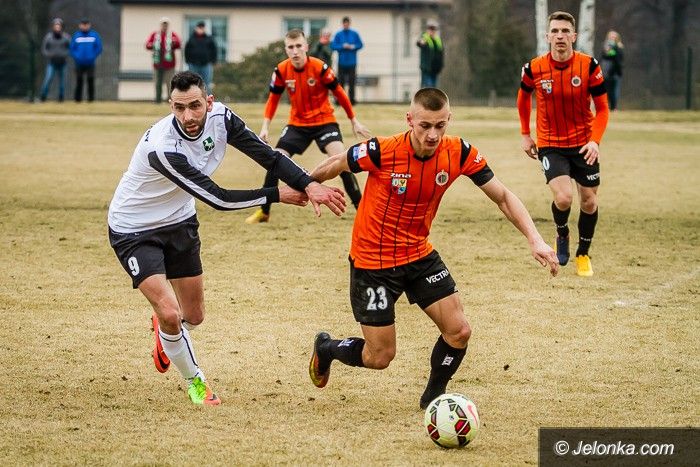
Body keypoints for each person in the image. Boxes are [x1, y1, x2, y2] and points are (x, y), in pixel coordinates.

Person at [307, 88, 559, 409]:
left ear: (449, 119)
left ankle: (433, 398)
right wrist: (307, 185)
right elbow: (337, 162)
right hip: (373, 263)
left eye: (440, 125)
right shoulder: (382, 150)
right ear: (410, 120)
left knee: (459, 331)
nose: (432, 135)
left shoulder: (459, 152)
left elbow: (503, 197)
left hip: (418, 255)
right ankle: (327, 348)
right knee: (380, 356)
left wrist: (535, 239)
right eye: (425, 125)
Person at [107, 71, 347, 406]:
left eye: (195, 106)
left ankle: (166, 332)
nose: (188, 116)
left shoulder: (222, 118)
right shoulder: (162, 148)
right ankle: (196, 382)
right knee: (171, 312)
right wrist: (277, 195)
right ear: (170, 106)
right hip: (134, 228)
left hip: (179, 221)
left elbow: (269, 156)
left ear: (209, 102)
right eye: (179, 108)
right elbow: (218, 199)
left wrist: (308, 183)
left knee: (194, 316)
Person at [245, 29, 371, 224]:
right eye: (290, 47)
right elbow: (273, 99)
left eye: (298, 46)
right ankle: (264, 212)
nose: (295, 51)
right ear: (286, 49)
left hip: (324, 122)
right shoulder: (281, 70)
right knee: (274, 160)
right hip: (297, 125)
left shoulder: (320, 67)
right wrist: (265, 127)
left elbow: (339, 93)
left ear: (306, 47)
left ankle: (362, 210)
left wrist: (354, 120)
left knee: (341, 159)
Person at [517, 11, 609, 277]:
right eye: (555, 31)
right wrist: (525, 134)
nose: (560, 36)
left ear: (574, 36)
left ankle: (583, 253)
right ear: (547, 36)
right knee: (564, 197)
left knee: (589, 202)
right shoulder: (533, 68)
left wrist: (595, 141)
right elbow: (523, 99)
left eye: (565, 31)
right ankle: (562, 233)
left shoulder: (589, 66)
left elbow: (603, 109)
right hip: (551, 144)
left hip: (584, 144)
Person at [146, 17, 181, 104]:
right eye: (163, 24)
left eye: (166, 24)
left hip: (169, 64)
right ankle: (158, 100)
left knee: (170, 83)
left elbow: (178, 44)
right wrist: (152, 45)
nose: (164, 26)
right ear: (160, 25)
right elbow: (147, 45)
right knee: (157, 83)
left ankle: (170, 100)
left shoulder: (172, 35)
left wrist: (173, 42)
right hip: (157, 64)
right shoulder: (155, 35)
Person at [331, 17, 363, 105]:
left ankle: (352, 100)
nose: (346, 25)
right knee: (340, 83)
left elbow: (360, 45)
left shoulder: (355, 34)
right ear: (342, 24)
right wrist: (342, 46)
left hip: (352, 62)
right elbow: (333, 46)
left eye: (347, 23)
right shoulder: (338, 34)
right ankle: (339, 100)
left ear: (349, 24)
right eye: (344, 24)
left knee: (352, 82)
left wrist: (353, 46)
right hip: (341, 63)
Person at [69, 18, 102, 102]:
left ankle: (91, 99)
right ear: (80, 25)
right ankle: (78, 99)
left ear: (89, 25)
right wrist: (77, 57)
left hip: (90, 62)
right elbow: (72, 48)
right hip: (79, 63)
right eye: (83, 25)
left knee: (90, 80)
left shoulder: (94, 35)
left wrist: (93, 56)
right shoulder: (76, 35)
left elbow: (98, 48)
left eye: (86, 24)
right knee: (79, 80)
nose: (85, 26)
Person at [39, 18, 70, 102]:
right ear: (53, 27)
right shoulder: (48, 37)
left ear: (62, 27)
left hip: (63, 63)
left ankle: (61, 98)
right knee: (48, 79)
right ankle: (43, 97)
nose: (57, 27)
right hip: (51, 63)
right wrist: (49, 55)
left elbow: (70, 48)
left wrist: (64, 54)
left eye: (59, 26)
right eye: (56, 26)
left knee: (62, 82)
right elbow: (44, 49)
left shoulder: (66, 37)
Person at [184, 21, 217, 93]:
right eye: (199, 28)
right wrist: (188, 61)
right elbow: (187, 50)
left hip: (206, 64)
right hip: (193, 64)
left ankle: (207, 98)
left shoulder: (209, 39)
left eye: (202, 28)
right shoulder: (191, 39)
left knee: (206, 83)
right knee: (193, 83)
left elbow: (214, 50)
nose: (201, 29)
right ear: (196, 28)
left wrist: (213, 61)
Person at [416, 20, 444, 88]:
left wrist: (440, 66)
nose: (432, 31)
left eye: (433, 29)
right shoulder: (425, 38)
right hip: (426, 68)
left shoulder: (438, 40)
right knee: (428, 86)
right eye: (430, 29)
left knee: (433, 87)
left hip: (435, 68)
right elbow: (419, 43)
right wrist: (420, 42)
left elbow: (441, 53)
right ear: (427, 30)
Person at [600, 30, 624, 111]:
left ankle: (614, 107)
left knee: (615, 91)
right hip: (606, 72)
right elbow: (603, 57)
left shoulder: (619, 47)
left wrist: (614, 49)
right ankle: (607, 107)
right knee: (606, 90)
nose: (612, 38)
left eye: (614, 37)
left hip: (615, 72)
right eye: (610, 36)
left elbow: (619, 60)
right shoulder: (605, 47)